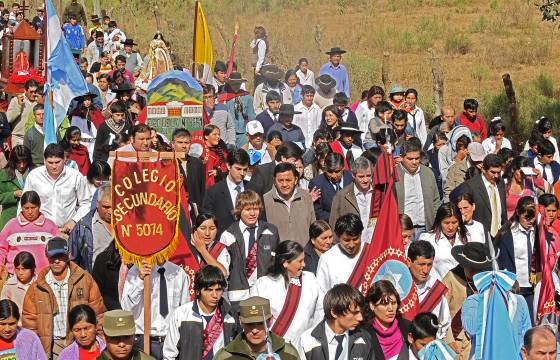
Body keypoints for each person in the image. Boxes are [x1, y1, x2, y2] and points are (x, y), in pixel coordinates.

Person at [23, 237, 105, 359]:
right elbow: (30, 322)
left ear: (68, 255)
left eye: (60, 256)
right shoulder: (37, 287)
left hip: (81, 342)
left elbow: (99, 313)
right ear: (46, 256)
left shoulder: (84, 279)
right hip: (52, 345)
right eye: (52, 257)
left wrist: (101, 340)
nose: (56, 261)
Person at [250, 240, 321, 344]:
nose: (304, 264)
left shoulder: (310, 280)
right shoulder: (264, 284)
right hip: (275, 346)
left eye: (304, 260)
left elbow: (320, 311)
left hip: (304, 345)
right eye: (300, 261)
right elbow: (253, 317)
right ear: (285, 263)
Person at [217, 190, 280, 306]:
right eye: (247, 209)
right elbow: (223, 270)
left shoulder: (271, 231)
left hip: (266, 292)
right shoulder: (228, 235)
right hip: (239, 295)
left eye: (255, 209)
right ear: (239, 210)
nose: (252, 213)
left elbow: (277, 263)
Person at [121, 255, 189, 359]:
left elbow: (185, 311)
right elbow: (126, 308)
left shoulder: (178, 273)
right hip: (143, 339)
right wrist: (139, 280)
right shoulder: (135, 271)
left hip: (171, 341)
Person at [163, 265, 236, 360]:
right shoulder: (181, 314)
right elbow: (169, 353)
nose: (215, 295)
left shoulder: (230, 315)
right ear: (197, 291)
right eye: (209, 290)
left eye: (218, 290)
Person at [23, 143, 92, 234]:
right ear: (44, 161)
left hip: (67, 231)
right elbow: (23, 203)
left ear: (64, 160)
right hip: (40, 231)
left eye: (57, 162)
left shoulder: (75, 176)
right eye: (50, 162)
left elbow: (86, 203)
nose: (54, 166)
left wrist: (74, 221)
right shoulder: (34, 176)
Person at [442, 242, 491, 359]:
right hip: (456, 340)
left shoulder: (486, 281)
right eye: (471, 269)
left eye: (478, 269)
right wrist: (448, 339)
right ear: (463, 265)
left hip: (479, 339)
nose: (475, 273)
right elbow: (441, 312)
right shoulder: (451, 279)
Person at [297, 283, 372, 359]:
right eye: (355, 312)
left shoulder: (364, 338)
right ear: (334, 312)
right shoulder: (307, 341)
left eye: (360, 312)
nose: (360, 318)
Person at [213, 296, 300, 360]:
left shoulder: (288, 354)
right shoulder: (225, 357)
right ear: (241, 322)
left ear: (270, 321)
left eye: (260, 324)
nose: (255, 330)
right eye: (249, 324)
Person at [495, 196, 538, 320]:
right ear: (518, 213)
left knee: (530, 323)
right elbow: (501, 262)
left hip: (532, 288)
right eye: (527, 218)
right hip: (514, 287)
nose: (530, 221)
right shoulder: (507, 234)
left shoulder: (536, 231)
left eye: (533, 218)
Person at [0, 190, 59, 273]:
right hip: (16, 276)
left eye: (33, 208)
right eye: (26, 208)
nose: (30, 212)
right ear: (21, 207)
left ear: (39, 206)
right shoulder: (11, 225)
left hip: (44, 275)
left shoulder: (50, 226)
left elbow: (59, 250)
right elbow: (1, 248)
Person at [395, 140, 441, 237]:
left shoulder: (428, 173)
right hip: (403, 230)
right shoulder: (393, 175)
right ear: (402, 157)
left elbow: (436, 200)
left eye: (417, 158)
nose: (414, 162)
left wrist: (433, 220)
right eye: (410, 159)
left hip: (426, 228)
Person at [263, 162, 315, 246]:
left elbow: (313, 225)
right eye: (280, 180)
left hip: (304, 254)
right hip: (279, 255)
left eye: (288, 180)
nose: (284, 184)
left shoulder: (305, 197)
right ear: (275, 181)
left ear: (296, 180)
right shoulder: (266, 200)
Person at [406, 241, 451, 338]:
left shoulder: (437, 289)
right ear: (409, 262)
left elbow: (443, 325)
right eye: (421, 264)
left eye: (429, 264)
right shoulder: (399, 287)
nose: (426, 270)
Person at [202, 149, 249, 236]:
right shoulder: (214, 192)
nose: (242, 173)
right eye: (238, 169)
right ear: (228, 166)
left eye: (245, 169)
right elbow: (207, 221)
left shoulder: (253, 188)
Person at [68, 183, 112, 273]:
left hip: (123, 283)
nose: (111, 211)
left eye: (114, 207)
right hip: (92, 282)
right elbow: (72, 260)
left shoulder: (127, 226)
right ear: (97, 204)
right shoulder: (82, 227)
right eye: (106, 207)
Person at [460, 153, 507, 237]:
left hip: (500, 235)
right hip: (479, 235)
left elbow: (503, 208)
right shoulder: (470, 186)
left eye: (498, 172)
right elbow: (464, 213)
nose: (496, 176)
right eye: (493, 172)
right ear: (483, 169)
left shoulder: (500, 183)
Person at [317, 213, 365, 293]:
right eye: (346, 240)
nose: (351, 245)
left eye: (355, 239)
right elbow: (321, 292)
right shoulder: (327, 259)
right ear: (338, 237)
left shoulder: (369, 251)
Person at [419, 203, 468, 278]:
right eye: (446, 223)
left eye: (454, 222)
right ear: (439, 222)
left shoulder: (466, 238)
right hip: (438, 286)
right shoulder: (427, 239)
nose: (451, 227)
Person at [364, 280, 411, 360]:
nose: (390, 308)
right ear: (372, 305)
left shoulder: (408, 327)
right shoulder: (363, 333)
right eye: (385, 304)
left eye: (393, 303)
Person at [329, 157, 372, 231]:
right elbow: (334, 226)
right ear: (353, 175)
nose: (365, 180)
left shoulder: (379, 193)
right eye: (361, 177)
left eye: (368, 176)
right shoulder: (342, 196)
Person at [308, 152, 352, 221]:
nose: (334, 176)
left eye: (337, 171)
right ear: (325, 169)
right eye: (330, 172)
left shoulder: (351, 177)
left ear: (343, 168)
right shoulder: (317, 183)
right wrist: (338, 219)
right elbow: (317, 212)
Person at [218, 72, 257, 148]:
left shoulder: (247, 97)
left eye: (238, 84)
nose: (236, 86)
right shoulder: (224, 98)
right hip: (229, 133)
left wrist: (252, 133)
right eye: (233, 84)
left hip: (244, 133)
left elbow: (251, 116)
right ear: (229, 84)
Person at [169, 129, 205, 212]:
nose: (184, 146)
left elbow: (202, 189)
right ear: (173, 144)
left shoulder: (197, 163)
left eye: (187, 143)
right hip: (176, 210)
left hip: (196, 210)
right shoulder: (166, 164)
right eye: (180, 142)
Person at [0, 145, 33, 228]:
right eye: (18, 162)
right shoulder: (3, 174)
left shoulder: (35, 173)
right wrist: (13, 194)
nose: (22, 165)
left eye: (24, 162)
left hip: (31, 219)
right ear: (13, 161)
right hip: (10, 218)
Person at [0, 251, 36, 321]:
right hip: (17, 327)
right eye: (17, 269)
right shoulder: (9, 286)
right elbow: (3, 309)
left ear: (33, 268)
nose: (20, 273)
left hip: (36, 326)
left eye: (24, 269)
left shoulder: (41, 284)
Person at [92, 241, 122, 311]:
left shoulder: (144, 261)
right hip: (110, 313)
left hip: (138, 315)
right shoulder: (103, 260)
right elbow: (97, 292)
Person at [7, 79, 38, 146]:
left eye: (35, 91)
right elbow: (8, 119)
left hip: (33, 139)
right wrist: (19, 106)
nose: (33, 94)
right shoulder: (16, 100)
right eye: (31, 92)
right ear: (25, 90)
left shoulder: (38, 102)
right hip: (18, 138)